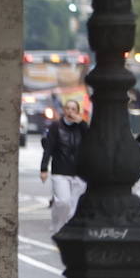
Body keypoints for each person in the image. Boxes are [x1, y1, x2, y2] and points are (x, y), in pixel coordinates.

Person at [40, 98, 88, 235]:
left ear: (78, 112)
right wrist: (44, 168)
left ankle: (67, 231)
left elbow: (92, 140)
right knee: (63, 202)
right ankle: (57, 228)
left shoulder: (81, 127)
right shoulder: (56, 126)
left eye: (74, 109)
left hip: (79, 173)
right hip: (60, 171)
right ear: (63, 110)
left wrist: (82, 123)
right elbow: (48, 148)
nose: (70, 112)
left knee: (72, 208)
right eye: (68, 108)